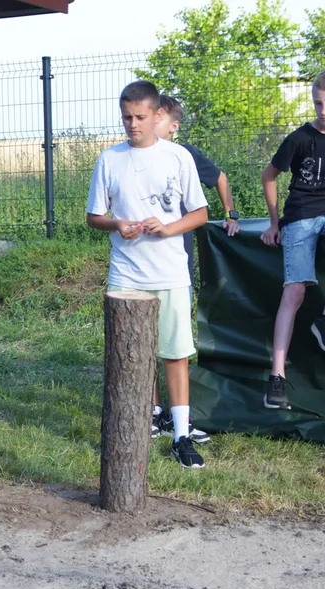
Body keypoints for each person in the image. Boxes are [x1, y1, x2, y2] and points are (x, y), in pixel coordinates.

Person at [86, 80, 210, 469]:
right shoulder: (109, 160)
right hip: (126, 274)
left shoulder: (178, 157)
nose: (132, 124)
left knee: (174, 354)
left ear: (158, 115)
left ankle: (181, 434)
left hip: (171, 271)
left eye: (140, 117)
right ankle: (137, 423)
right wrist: (117, 224)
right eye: (126, 117)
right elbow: (94, 217)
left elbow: (200, 214)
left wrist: (168, 227)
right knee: (130, 355)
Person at [259, 69, 325, 410]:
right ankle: (276, 378)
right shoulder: (299, 138)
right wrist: (275, 221)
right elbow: (269, 176)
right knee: (293, 291)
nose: (324, 110)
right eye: (318, 103)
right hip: (300, 216)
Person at [149, 94, 242, 443]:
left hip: (177, 266)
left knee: (174, 345)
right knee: (143, 342)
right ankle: (153, 413)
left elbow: (219, 177)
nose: (145, 122)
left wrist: (229, 213)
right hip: (141, 268)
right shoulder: (132, 157)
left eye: (156, 117)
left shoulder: (184, 156)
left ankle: (178, 418)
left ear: (173, 125)